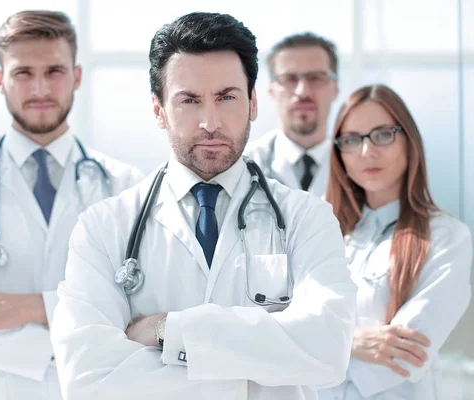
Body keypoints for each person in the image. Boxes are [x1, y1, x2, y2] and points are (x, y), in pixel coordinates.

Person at [51, 12, 357, 399]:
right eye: (189, 100)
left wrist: (168, 331)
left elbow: (327, 351)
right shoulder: (103, 227)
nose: (210, 122)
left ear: (253, 103)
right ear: (159, 110)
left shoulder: (306, 218)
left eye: (227, 97)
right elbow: (88, 379)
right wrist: (258, 371)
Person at [0, 10, 144, 400]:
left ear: (76, 77)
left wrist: (26, 308)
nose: (40, 88)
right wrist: (83, 330)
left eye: (54, 71)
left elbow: (144, 313)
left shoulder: (127, 187)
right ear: (0, 81)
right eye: (23, 73)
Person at [318, 84, 472, 400]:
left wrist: (321, 351)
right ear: (339, 154)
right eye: (351, 140)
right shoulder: (321, 231)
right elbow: (285, 335)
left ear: (409, 142)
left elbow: (406, 355)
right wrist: (355, 344)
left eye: (383, 134)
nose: (367, 151)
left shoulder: (445, 236)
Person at [244, 32, 339, 196]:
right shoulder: (244, 165)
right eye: (289, 79)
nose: (303, 91)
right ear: (271, 89)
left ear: (336, 88)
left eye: (316, 78)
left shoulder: (357, 165)